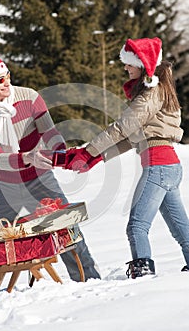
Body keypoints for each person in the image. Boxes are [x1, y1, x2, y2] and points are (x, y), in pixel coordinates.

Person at [0, 49, 100, 296]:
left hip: (39, 178)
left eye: (7, 75)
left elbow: (50, 131)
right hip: (2, 185)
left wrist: (61, 151)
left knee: (66, 228)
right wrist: (27, 157)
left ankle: (89, 280)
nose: (6, 82)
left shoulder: (30, 97)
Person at [65, 37, 189, 278]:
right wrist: (95, 157)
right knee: (180, 227)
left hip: (159, 166)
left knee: (137, 226)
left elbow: (122, 127)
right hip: (168, 166)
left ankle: (142, 274)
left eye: (128, 63)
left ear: (142, 63)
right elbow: (131, 138)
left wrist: (88, 151)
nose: (125, 67)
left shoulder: (151, 92)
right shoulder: (157, 90)